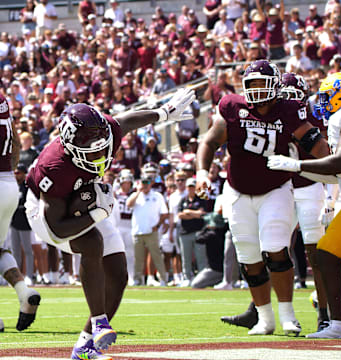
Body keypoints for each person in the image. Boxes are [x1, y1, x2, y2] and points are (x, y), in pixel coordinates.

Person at [25, 88, 195, 358]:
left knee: (118, 274)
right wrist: (96, 214)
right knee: (92, 243)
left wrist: (163, 113)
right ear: (70, 146)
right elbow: (56, 228)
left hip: (83, 195)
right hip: (44, 212)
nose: (100, 156)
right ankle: (99, 322)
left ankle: (85, 345)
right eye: (91, 153)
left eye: (102, 148)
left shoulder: (104, 130)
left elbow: (125, 121)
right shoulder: (54, 166)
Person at [196, 59, 329, 336]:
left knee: (276, 249)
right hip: (237, 190)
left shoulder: (288, 110)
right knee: (248, 256)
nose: (256, 90)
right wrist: (201, 172)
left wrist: (337, 164)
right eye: (251, 84)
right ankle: (265, 319)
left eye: (261, 83)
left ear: (275, 86)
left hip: (276, 189)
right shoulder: (232, 107)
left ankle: (288, 315)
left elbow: (314, 144)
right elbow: (209, 141)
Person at [267, 71, 341, 339]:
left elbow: (340, 162)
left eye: (328, 95)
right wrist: (298, 168)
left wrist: (297, 164)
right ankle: (339, 325)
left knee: (329, 257)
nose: (323, 101)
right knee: (326, 255)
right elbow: (335, 174)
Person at [0, 93, 40, 332]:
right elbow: (15, 143)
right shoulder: (2, 99)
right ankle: (25, 292)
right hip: (8, 184)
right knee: (1, 249)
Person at [126, 168, 168, 287]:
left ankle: (163, 279)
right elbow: (129, 204)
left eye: (147, 183)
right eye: (143, 183)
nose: (145, 186)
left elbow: (164, 213)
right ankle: (137, 279)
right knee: (138, 258)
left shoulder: (157, 196)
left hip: (151, 231)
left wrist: (158, 225)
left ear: (151, 184)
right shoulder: (135, 195)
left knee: (156, 256)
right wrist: (138, 191)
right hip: (137, 231)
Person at [178, 177, 208, 287]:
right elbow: (180, 215)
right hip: (184, 233)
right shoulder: (183, 200)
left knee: (201, 257)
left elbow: (201, 214)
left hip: (198, 232)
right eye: (189, 187)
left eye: (193, 187)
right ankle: (186, 278)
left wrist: (188, 212)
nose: (191, 189)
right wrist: (193, 214)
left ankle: (201, 278)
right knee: (186, 258)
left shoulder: (201, 200)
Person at [10, 163, 34, 285]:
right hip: (13, 221)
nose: (16, 175)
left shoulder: (27, 187)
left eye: (18, 173)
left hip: (25, 222)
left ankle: (29, 275)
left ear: (24, 174)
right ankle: (16, 277)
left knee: (28, 250)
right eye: (15, 173)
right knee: (15, 251)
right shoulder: (12, 186)